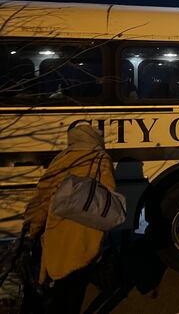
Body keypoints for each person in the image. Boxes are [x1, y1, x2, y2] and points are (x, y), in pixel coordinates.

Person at [22, 124, 117, 313]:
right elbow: (108, 196)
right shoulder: (101, 159)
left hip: (57, 235)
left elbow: (42, 198)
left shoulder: (62, 159)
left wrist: (31, 231)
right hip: (86, 238)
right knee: (74, 292)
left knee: (54, 290)